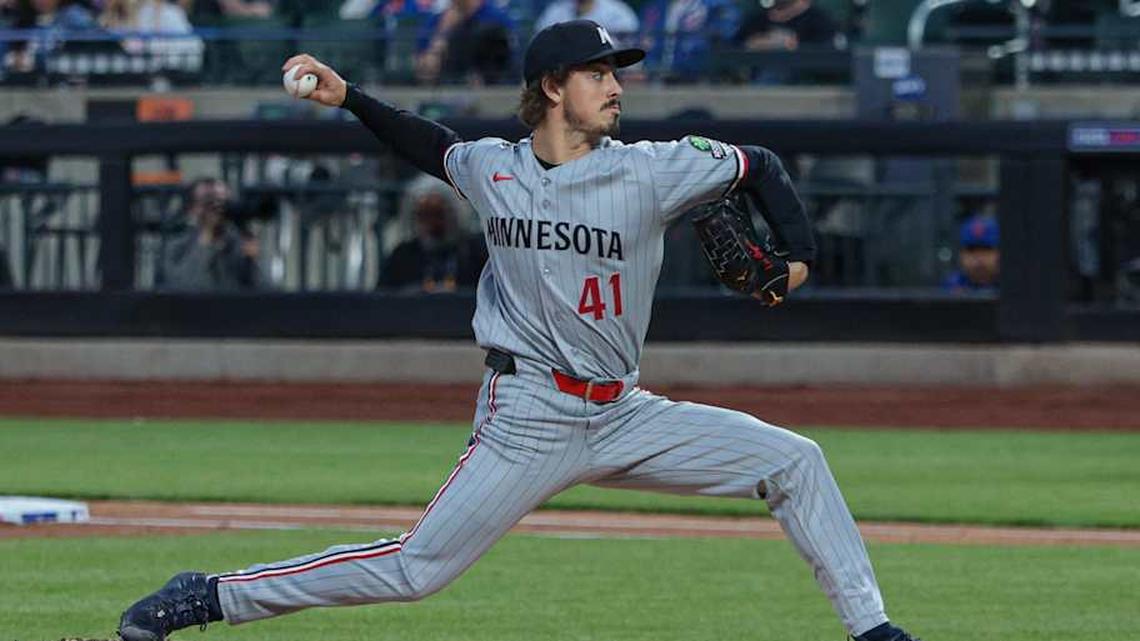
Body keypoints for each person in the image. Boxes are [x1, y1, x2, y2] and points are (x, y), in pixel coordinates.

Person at [116, 20, 921, 641]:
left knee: (796, 459)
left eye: (617, 73)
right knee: (414, 568)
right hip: (527, 415)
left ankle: (873, 628)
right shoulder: (493, 168)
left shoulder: (653, 167)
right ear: (550, 86)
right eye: (598, 72)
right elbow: (429, 143)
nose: (615, 86)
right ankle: (211, 594)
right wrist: (350, 97)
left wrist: (799, 262)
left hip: (626, 413)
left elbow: (763, 165)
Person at [379, 174, 487, 292]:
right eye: (424, 215)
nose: (431, 223)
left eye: (437, 215)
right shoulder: (402, 256)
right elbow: (382, 297)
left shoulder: (475, 253)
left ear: (455, 215)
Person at [157, 177, 261, 292]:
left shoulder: (238, 244)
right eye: (208, 201)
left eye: (224, 201)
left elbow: (267, 292)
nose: (218, 207)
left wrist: (251, 260)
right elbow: (184, 287)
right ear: (192, 209)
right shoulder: (177, 248)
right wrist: (207, 238)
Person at [413, 0, 514, 85]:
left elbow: (510, 67)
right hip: (446, 91)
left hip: (491, 92)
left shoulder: (497, 18)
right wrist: (443, 33)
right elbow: (424, 73)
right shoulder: (437, 20)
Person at [638, 0, 739, 81]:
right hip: (654, 77)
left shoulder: (716, 5)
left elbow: (724, 33)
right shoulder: (655, 6)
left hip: (696, 78)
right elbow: (642, 40)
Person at [533, 0, 639, 44]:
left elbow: (629, 41)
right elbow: (539, 40)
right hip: (564, 66)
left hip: (609, 64)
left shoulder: (617, 10)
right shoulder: (557, 10)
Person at [944, 214, 999, 293]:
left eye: (986, 250)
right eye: (971, 250)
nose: (979, 258)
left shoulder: (1013, 285)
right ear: (961, 255)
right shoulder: (951, 287)